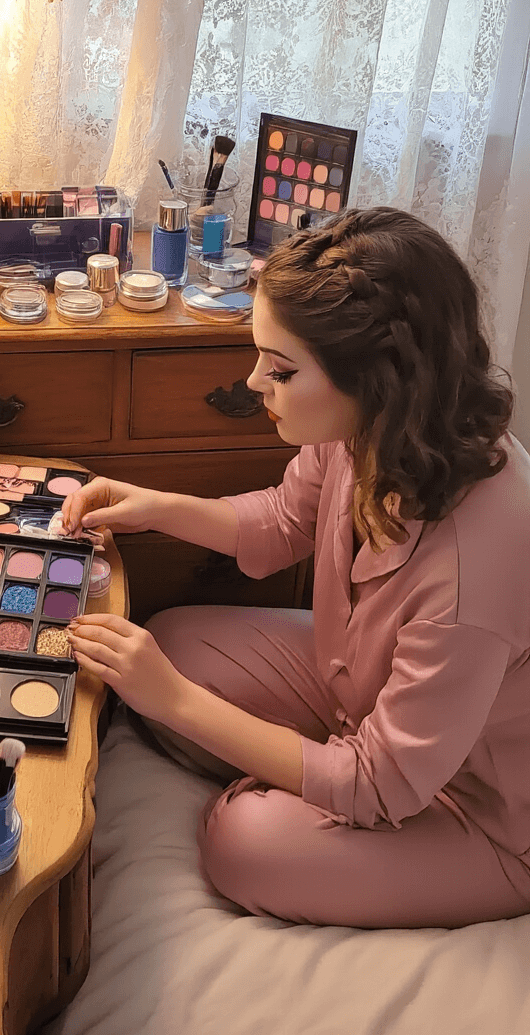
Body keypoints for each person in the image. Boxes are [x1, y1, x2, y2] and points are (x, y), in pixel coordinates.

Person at [61, 207, 530, 928]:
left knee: (240, 840)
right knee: (176, 641)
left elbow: (382, 782)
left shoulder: (474, 566)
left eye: (279, 369)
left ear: (377, 379)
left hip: (482, 810)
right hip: (368, 705)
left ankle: (299, 786)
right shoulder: (368, 429)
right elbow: (283, 521)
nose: (254, 382)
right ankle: (304, 767)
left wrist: (178, 704)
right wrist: (154, 505)